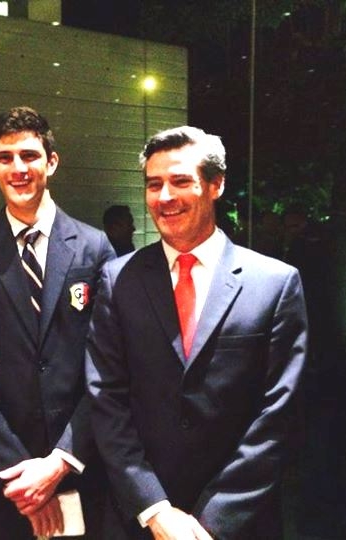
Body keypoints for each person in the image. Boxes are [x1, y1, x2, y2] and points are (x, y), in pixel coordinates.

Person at [86, 126, 308, 539]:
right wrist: (155, 509)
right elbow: (106, 399)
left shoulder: (275, 283)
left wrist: (212, 522)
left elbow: (279, 412)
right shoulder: (118, 280)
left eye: (180, 181)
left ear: (215, 184)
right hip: (141, 520)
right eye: (154, 184)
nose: (164, 196)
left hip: (240, 523)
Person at [0, 106, 116, 539]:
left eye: (29, 155)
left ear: (51, 162)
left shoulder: (94, 248)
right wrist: (23, 479)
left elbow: (109, 370)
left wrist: (59, 463)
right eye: (5, 158)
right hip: (1, 481)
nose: (18, 168)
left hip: (80, 469)